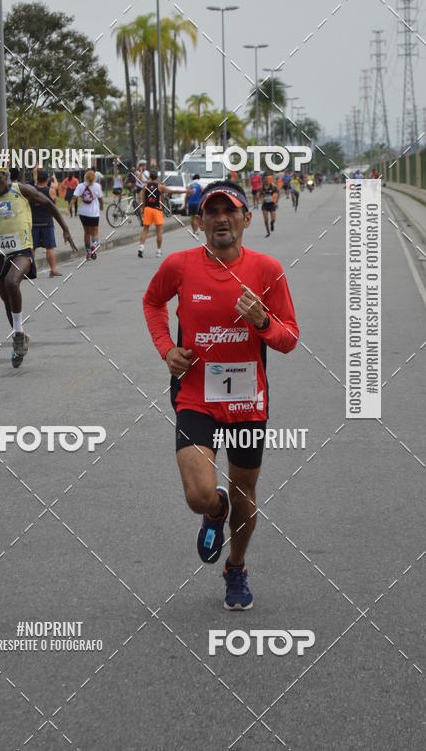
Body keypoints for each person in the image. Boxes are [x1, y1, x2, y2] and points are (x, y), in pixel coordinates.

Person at [143, 180, 299, 609]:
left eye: (229, 211)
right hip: (196, 395)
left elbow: (289, 339)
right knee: (198, 494)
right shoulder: (179, 265)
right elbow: (152, 304)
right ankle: (215, 510)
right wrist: (167, 349)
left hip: (248, 401)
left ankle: (235, 567)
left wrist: (264, 321)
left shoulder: (267, 270)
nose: (221, 219)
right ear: (199, 222)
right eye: (211, 212)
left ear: (246, 219)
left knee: (247, 494)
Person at [0, 158, 76, 367]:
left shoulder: (21, 189)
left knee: (12, 282)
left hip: (23, 251)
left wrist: (65, 228)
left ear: (5, 176)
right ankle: (21, 337)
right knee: (7, 300)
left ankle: (17, 335)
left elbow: (49, 204)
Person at [137, 169, 189, 258]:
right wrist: (186, 191)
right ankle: (158, 251)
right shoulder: (160, 187)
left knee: (145, 230)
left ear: (149, 177)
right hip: (157, 210)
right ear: (157, 177)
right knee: (159, 231)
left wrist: (143, 210)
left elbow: (143, 200)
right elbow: (173, 191)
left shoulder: (145, 187)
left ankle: (141, 247)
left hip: (148, 209)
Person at [30, 169, 61, 277]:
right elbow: (54, 206)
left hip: (33, 222)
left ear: (37, 179)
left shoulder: (31, 190)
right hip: (47, 222)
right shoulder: (51, 191)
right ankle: (53, 270)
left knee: (32, 248)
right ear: (47, 179)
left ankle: (30, 271)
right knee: (49, 247)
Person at [74, 168, 103, 260]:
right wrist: (102, 205)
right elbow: (100, 199)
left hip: (83, 212)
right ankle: (94, 245)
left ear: (85, 177)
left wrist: (68, 208)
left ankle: (88, 252)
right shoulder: (97, 186)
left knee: (86, 233)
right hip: (94, 213)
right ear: (95, 178)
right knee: (95, 232)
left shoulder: (80, 186)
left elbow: (74, 198)